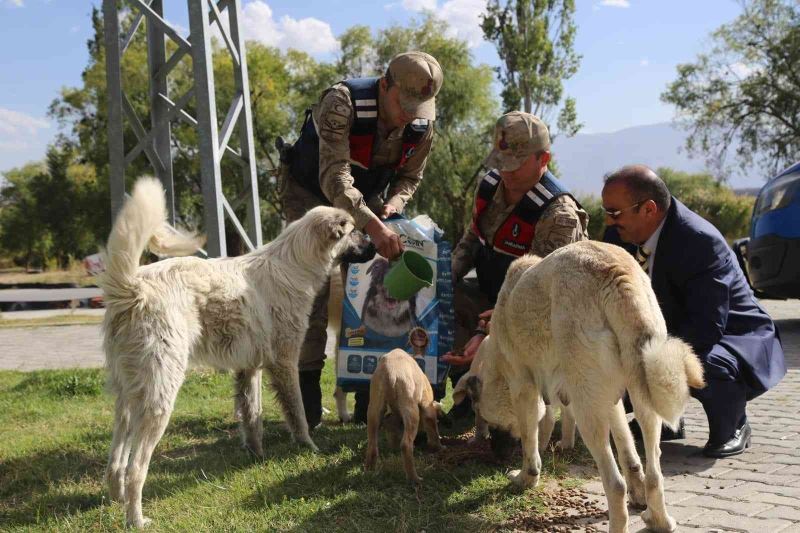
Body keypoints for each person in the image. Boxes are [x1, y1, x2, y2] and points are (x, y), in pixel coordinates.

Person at [278, 51, 443, 429]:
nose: (410, 115)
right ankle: (305, 398)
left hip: (367, 201)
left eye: (418, 108)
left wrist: (391, 207)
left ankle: (370, 388)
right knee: (314, 294)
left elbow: (410, 178)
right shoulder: (342, 103)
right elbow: (335, 178)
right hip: (311, 195)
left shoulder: (421, 123)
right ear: (385, 85)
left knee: (373, 287)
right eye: (404, 105)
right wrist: (372, 224)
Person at [601, 165, 786, 458]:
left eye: (614, 212)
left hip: (733, 336)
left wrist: (646, 360)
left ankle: (733, 423)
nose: (608, 221)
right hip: (673, 328)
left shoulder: (699, 241)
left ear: (648, 209)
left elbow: (706, 327)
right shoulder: (617, 234)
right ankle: (667, 421)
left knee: (692, 362)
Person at [442, 111, 589, 423]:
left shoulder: (559, 215)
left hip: (540, 312)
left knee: (498, 339)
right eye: (500, 159)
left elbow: (540, 292)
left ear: (543, 158)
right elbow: (472, 239)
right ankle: (465, 397)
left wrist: (487, 329)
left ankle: (508, 416)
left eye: (516, 163)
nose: (505, 171)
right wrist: (444, 278)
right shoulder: (489, 186)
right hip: (493, 294)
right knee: (440, 301)